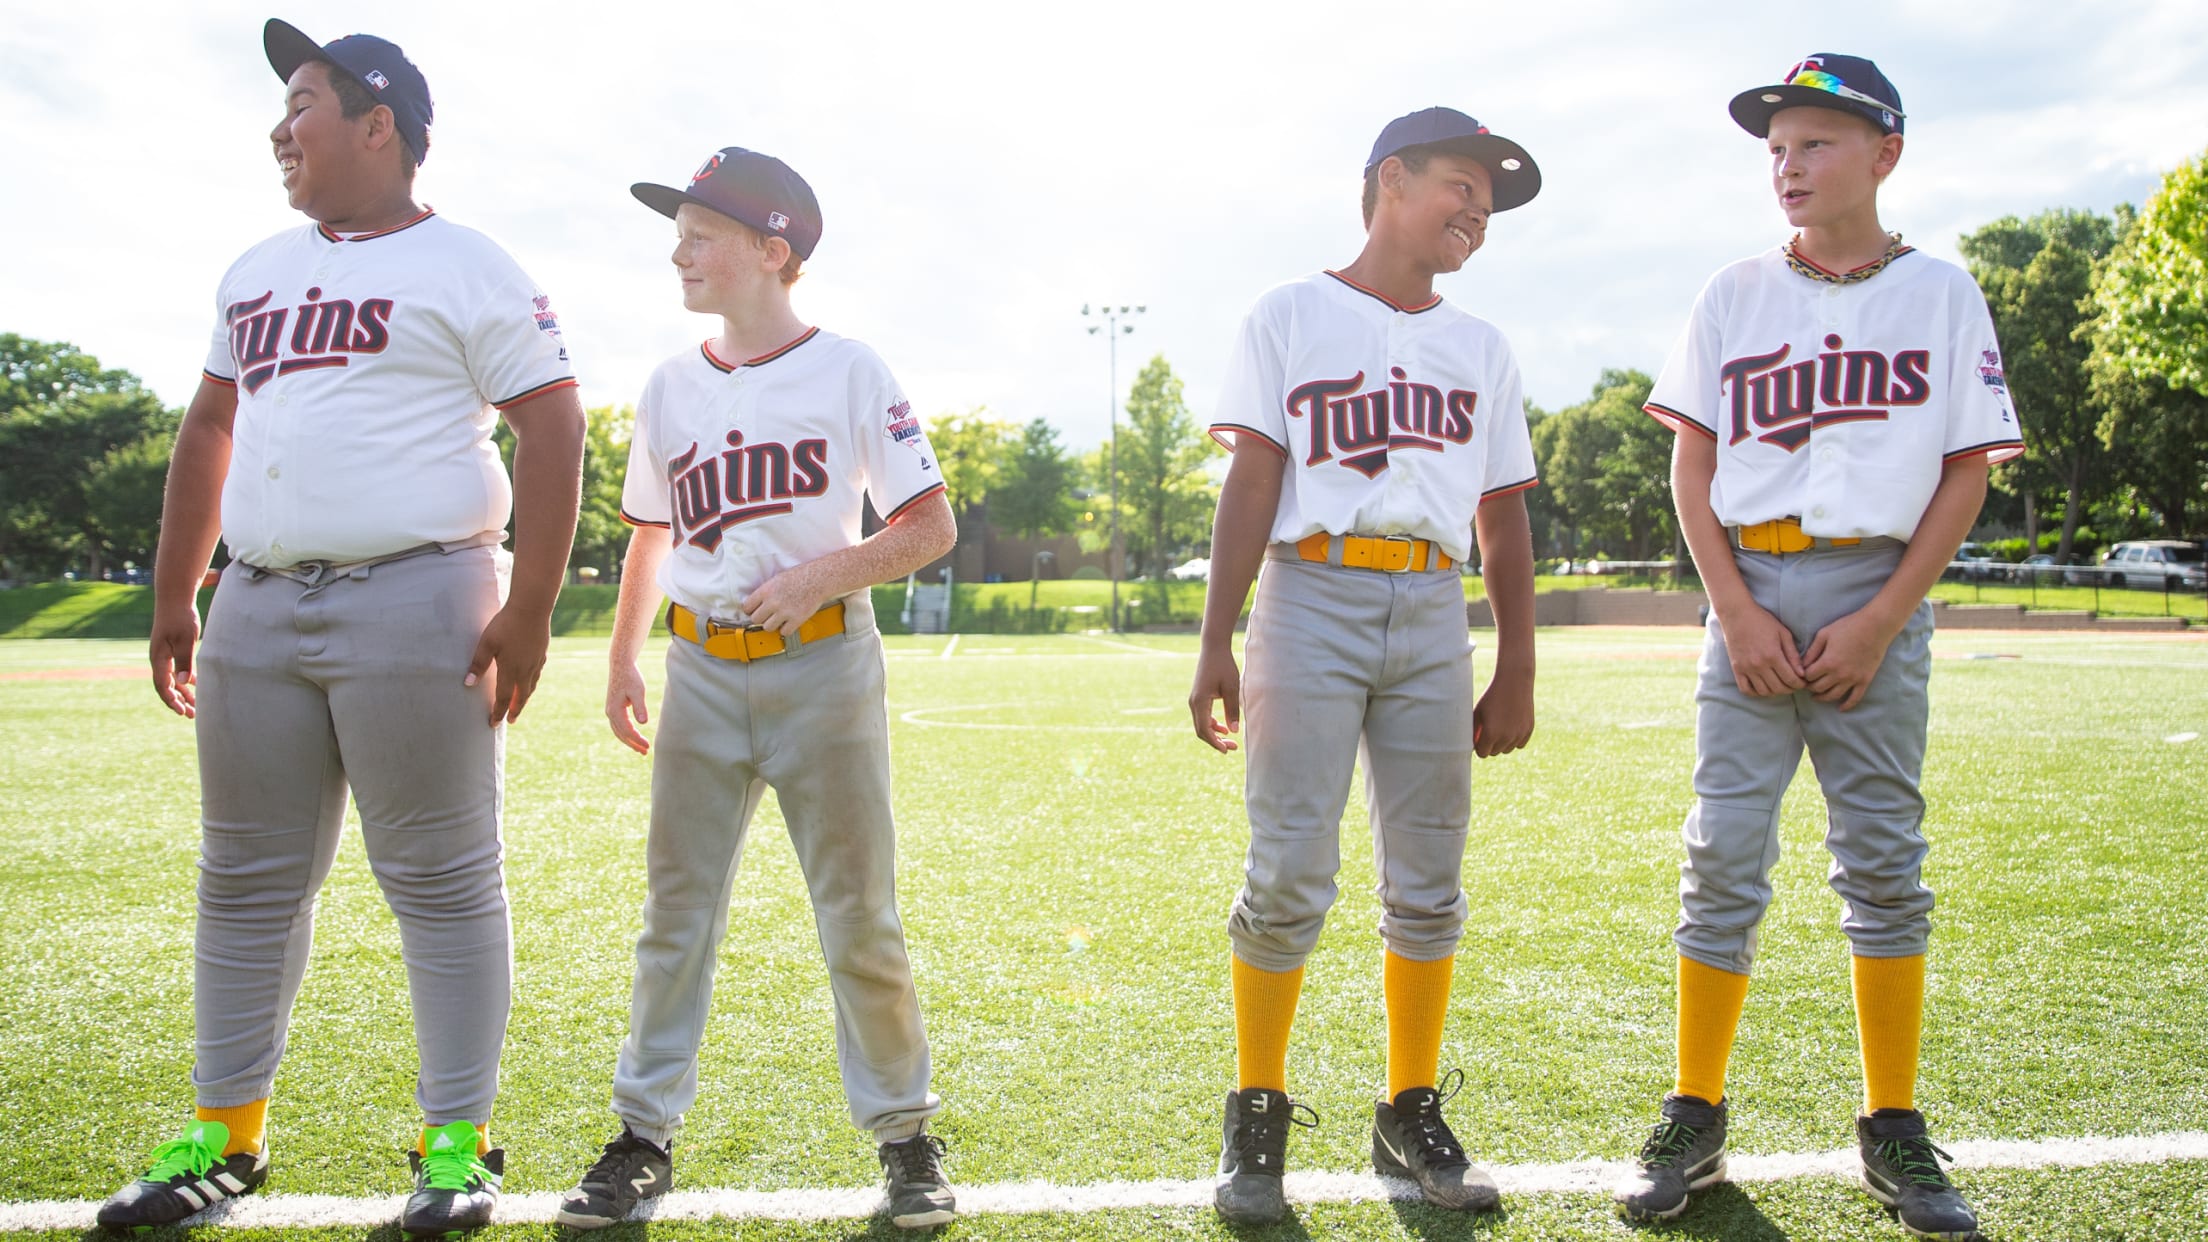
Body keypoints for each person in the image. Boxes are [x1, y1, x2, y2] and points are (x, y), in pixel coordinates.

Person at [105, 18, 585, 1238]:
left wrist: (530, 605)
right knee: (246, 881)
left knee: (440, 880)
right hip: (258, 601)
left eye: (305, 101)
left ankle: (456, 1149)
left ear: (381, 126)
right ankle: (227, 1136)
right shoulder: (256, 268)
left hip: (419, 596)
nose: (281, 127)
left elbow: (552, 424)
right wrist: (178, 592)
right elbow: (209, 431)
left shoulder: (469, 263)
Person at [1613, 55, 2023, 1242]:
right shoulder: (1734, 292)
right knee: (1720, 858)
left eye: (1815, 145)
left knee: (1885, 863)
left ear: (1885, 155)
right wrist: (1733, 610)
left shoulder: (1942, 294)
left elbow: (1966, 470)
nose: (1788, 166)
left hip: (1872, 589)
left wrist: (1886, 616)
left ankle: (1892, 1124)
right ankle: (1694, 1110)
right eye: (1777, 150)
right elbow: (1692, 463)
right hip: (1747, 585)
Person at [553, 146, 960, 1232]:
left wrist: (823, 572)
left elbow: (930, 525)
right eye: (678, 231)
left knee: (858, 915)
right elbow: (651, 533)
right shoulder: (671, 383)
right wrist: (622, 654)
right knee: (674, 916)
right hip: (696, 673)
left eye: (700, 231)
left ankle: (907, 1137)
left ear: (772, 251)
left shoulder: (852, 369)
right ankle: (642, 1138)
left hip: (824, 667)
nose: (679, 249)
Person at [1187, 106, 1541, 1226]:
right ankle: (1257, 1110)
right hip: (1309, 593)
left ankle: (1409, 1105)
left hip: (1434, 606)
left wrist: (1518, 661)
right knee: (1290, 870)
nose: (1479, 210)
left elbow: (1502, 514)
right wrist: (1215, 638)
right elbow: (1250, 483)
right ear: (1392, 180)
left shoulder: (1481, 347)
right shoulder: (1290, 313)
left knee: (1428, 882)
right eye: (1463, 186)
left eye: (1490, 200)